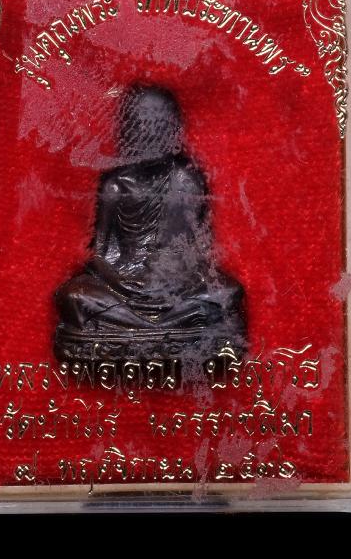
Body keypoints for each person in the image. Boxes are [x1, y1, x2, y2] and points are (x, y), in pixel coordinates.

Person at [54, 84, 245, 360]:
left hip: (177, 286)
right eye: (141, 125)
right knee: (73, 296)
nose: (150, 133)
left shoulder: (186, 180)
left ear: (174, 130)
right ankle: (162, 328)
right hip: (125, 287)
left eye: (159, 125)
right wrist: (126, 285)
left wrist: (174, 280)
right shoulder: (115, 186)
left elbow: (198, 251)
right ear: (126, 130)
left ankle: (139, 329)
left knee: (228, 293)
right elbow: (102, 256)